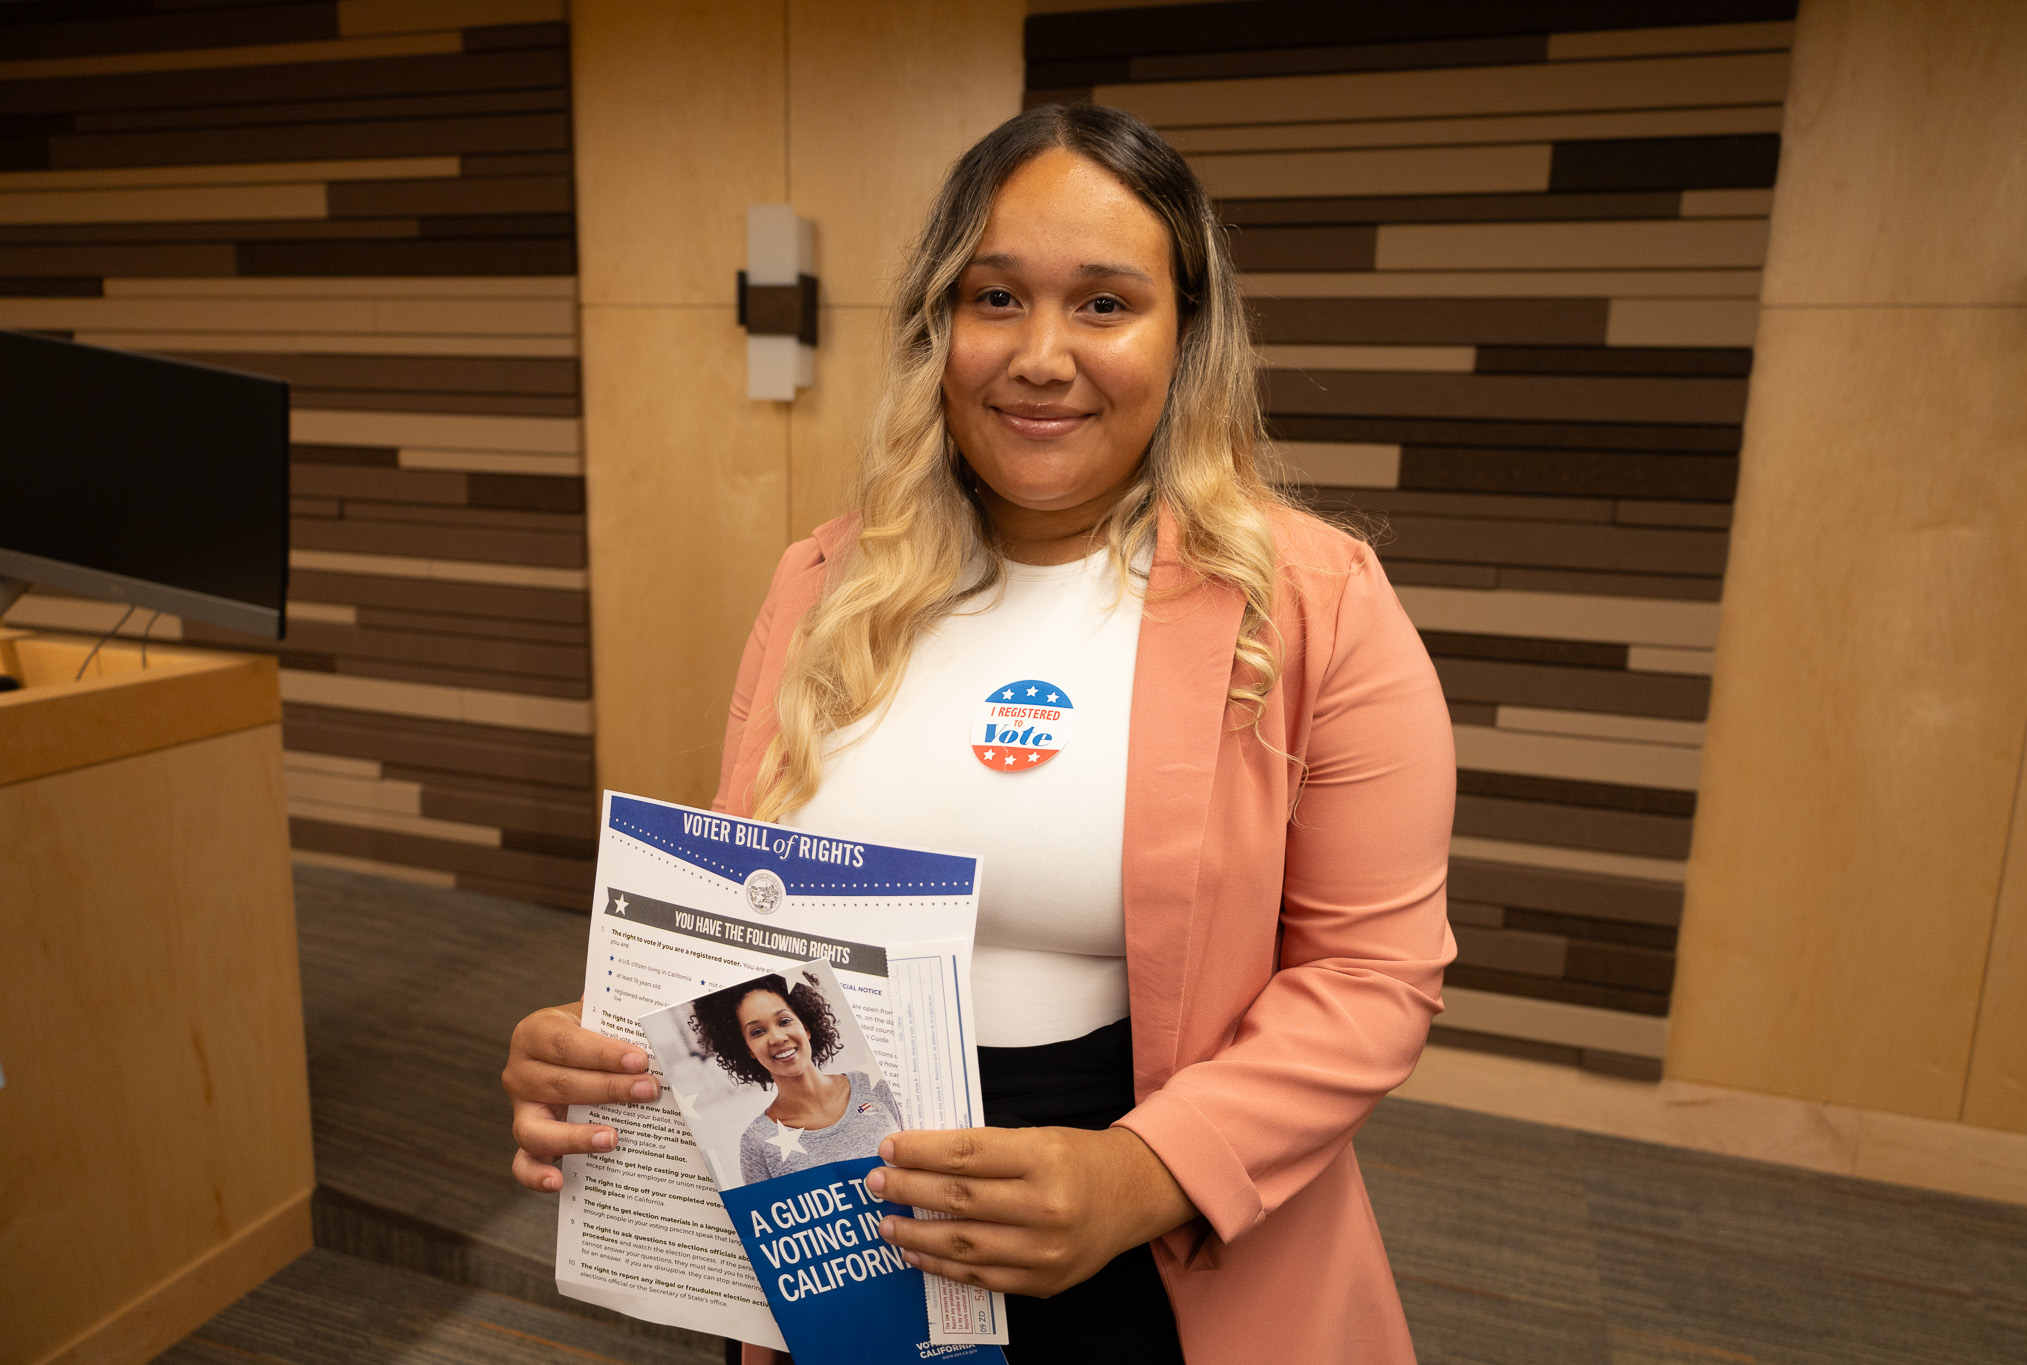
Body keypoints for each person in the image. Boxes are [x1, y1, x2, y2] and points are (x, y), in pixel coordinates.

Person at [504, 102, 1455, 1365]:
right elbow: (745, 915)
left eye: (1104, 304)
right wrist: (607, 1044)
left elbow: (1369, 979)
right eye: (994, 298)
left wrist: (1140, 1174)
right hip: (839, 1227)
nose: (1040, 356)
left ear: (1186, 337)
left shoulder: (1311, 601)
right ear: (935, 328)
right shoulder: (825, 582)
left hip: (1144, 1233)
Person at [687, 971, 905, 1185]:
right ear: (748, 1049)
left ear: (806, 1027)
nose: (778, 1038)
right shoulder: (757, 1142)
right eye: (757, 1032)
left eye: (784, 1021)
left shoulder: (874, 1086)